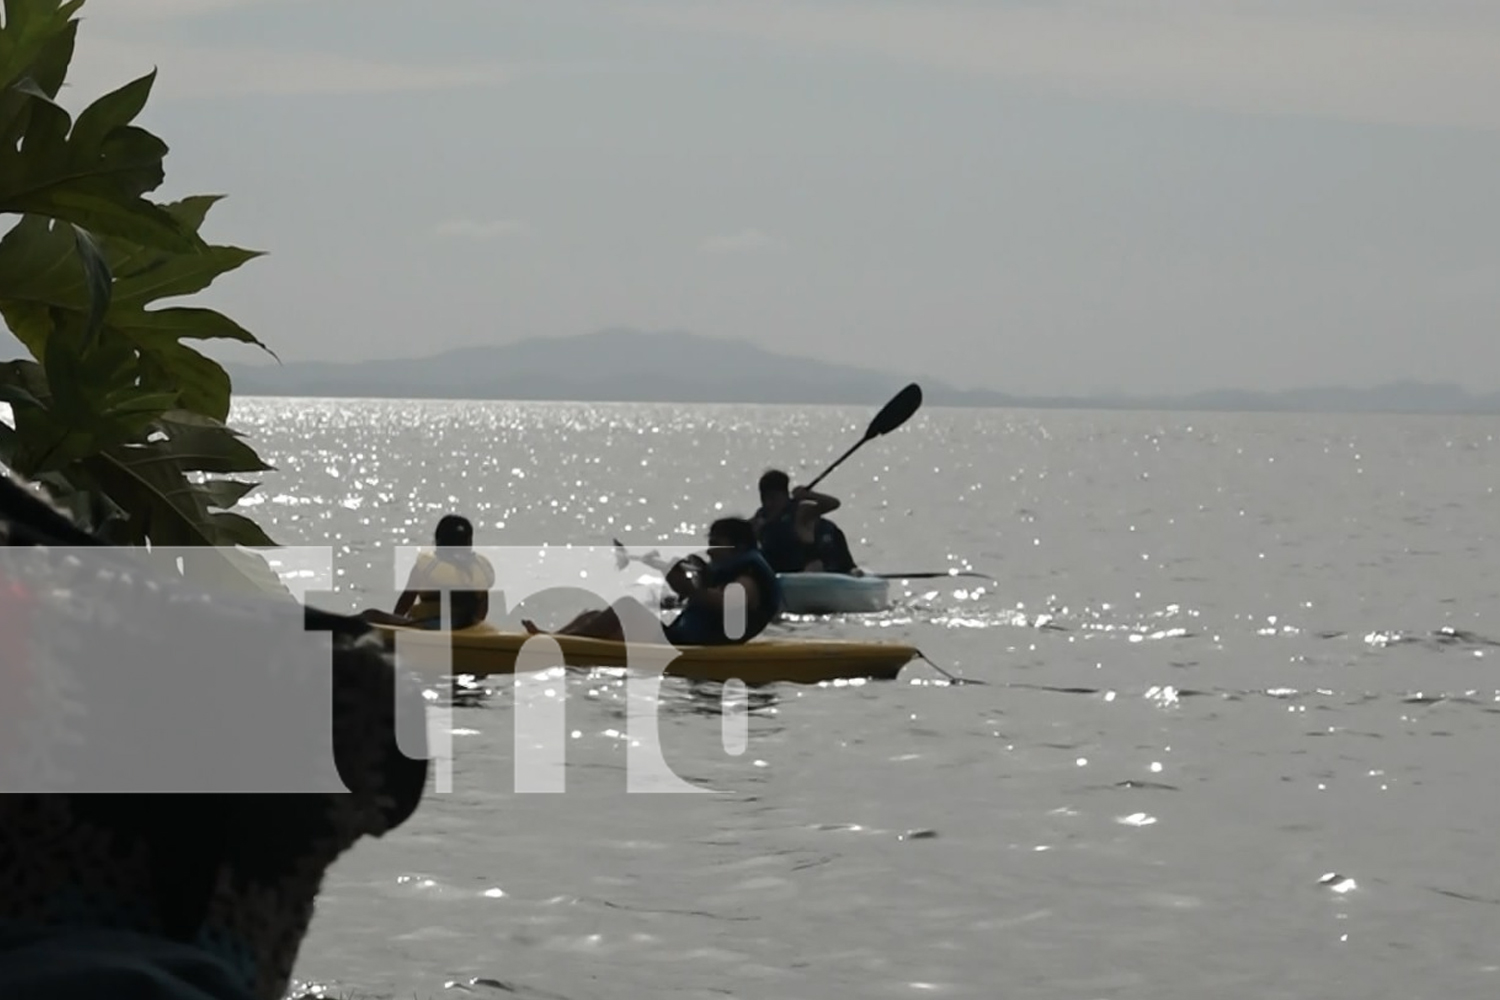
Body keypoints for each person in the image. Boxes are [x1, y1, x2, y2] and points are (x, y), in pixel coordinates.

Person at [522, 516, 781, 646]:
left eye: (717, 544)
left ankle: (557, 645)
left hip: (692, 646)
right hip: (681, 639)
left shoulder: (748, 577)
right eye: (709, 543)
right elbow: (690, 593)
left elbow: (729, 603)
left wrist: (693, 589)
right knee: (595, 614)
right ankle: (557, 639)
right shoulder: (730, 570)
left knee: (625, 608)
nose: (710, 550)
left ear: (739, 545)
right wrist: (669, 570)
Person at [361, 514, 495, 631]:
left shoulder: (426, 566)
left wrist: (395, 626)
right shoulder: (478, 569)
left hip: (428, 626)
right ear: (469, 543)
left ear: (438, 542)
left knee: (370, 615)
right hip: (468, 628)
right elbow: (481, 612)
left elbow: (406, 601)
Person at [752, 469, 860, 575]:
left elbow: (833, 503)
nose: (768, 504)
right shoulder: (760, 518)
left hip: (821, 559)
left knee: (815, 566)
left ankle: (852, 572)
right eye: (764, 498)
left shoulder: (802, 510)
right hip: (787, 568)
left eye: (773, 498)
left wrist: (808, 495)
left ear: (785, 496)